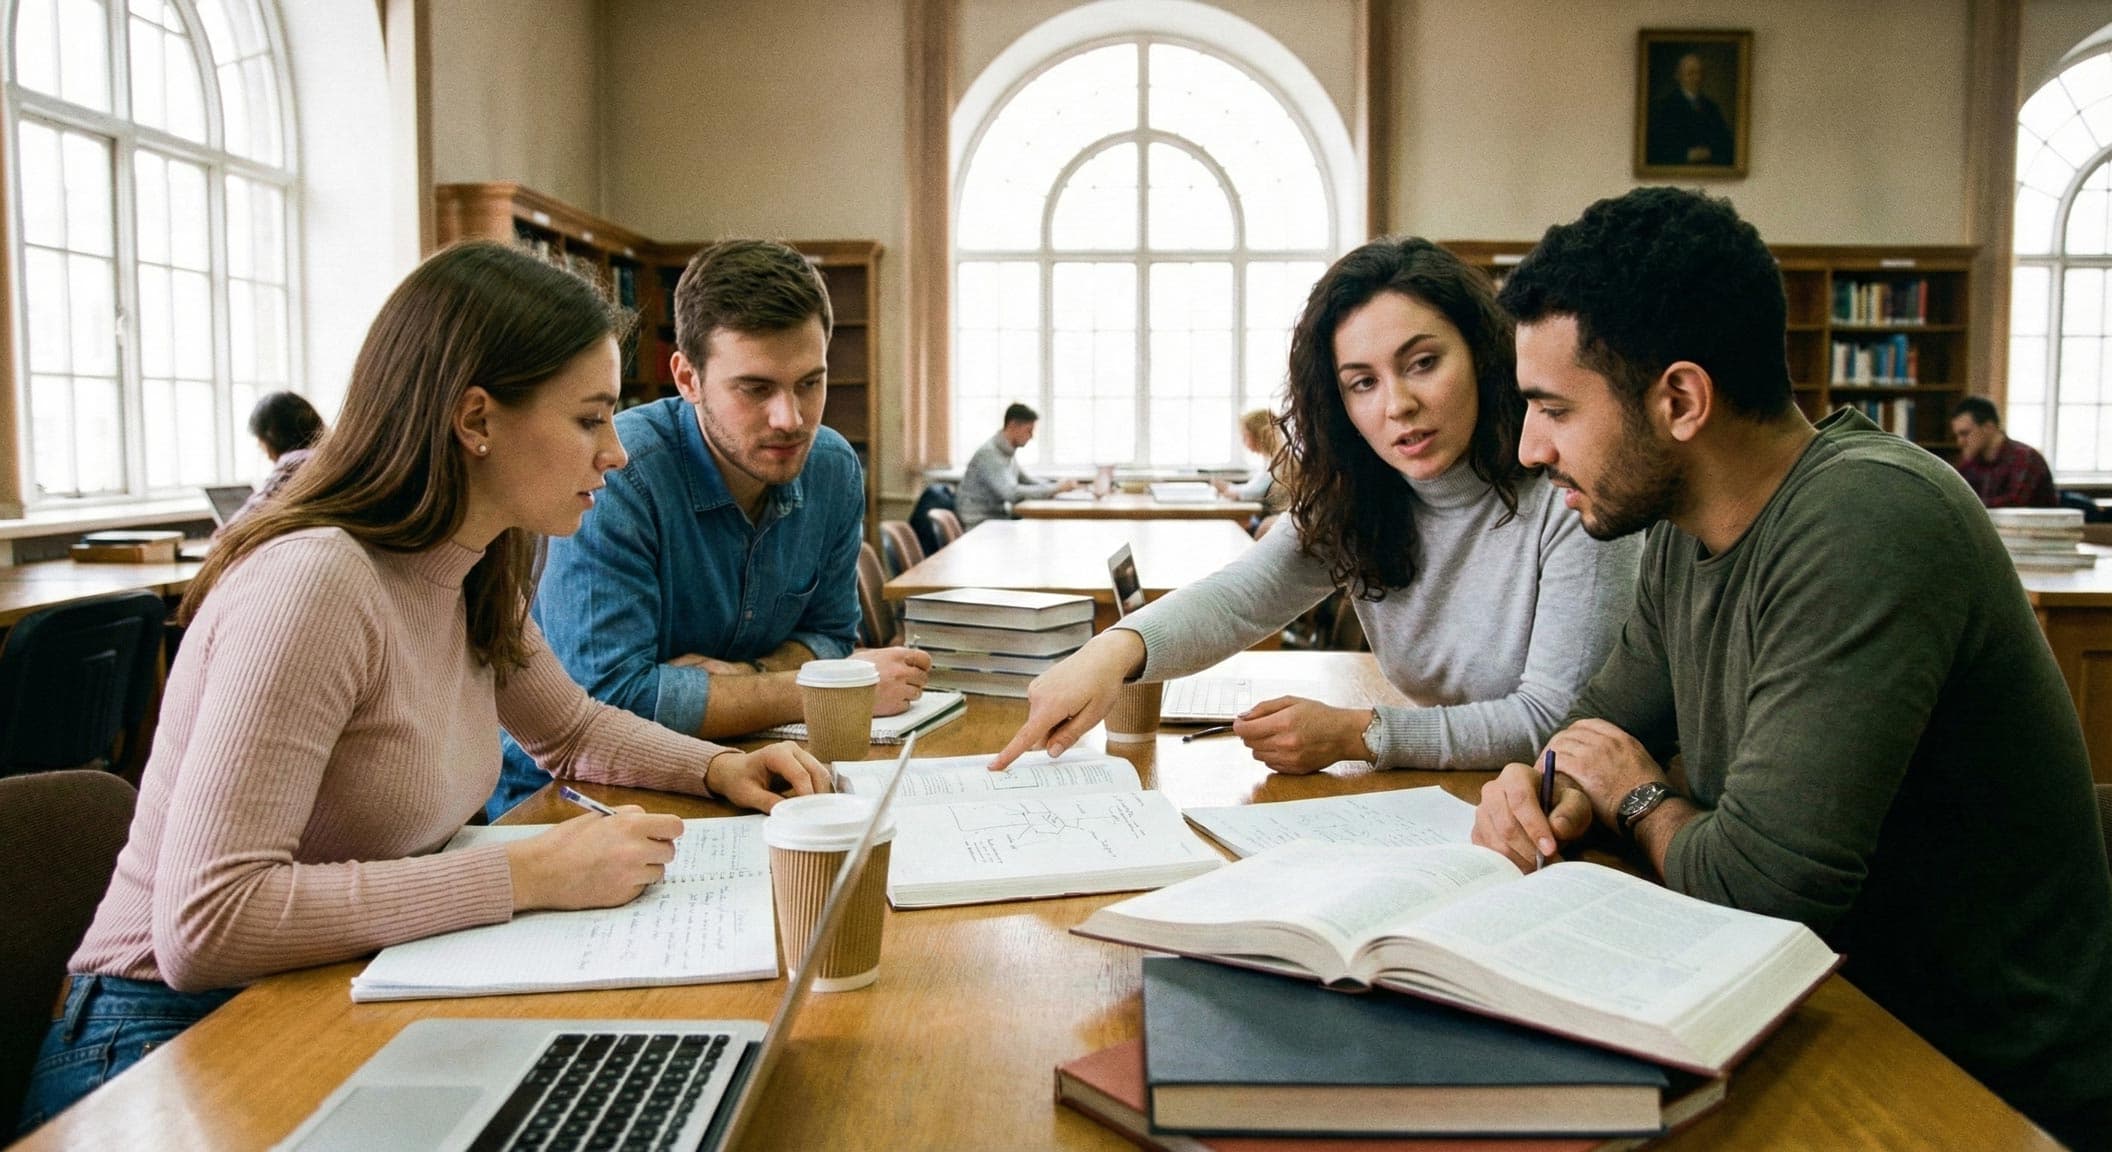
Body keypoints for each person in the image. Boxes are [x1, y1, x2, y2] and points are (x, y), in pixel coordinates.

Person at [14, 242, 830, 1136]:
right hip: (163, 1044)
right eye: (590, 420)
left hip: (335, 985)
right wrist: (517, 872)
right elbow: (208, 922)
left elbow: (572, 728)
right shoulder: (317, 582)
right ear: (476, 418)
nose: (617, 456)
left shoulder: (471, 559)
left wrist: (718, 769)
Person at [1472, 187, 2112, 1148]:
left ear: (1680, 400)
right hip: (1822, 1009)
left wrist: (1638, 800)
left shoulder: (1870, 521)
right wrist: (1543, 790)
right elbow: (1594, 735)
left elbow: (1763, 891)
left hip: (1972, 1079)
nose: (1530, 448)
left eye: (1554, 408)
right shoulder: (1683, 530)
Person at [990, 237, 1640, 777]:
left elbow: (1553, 722)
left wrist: (1361, 734)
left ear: (1482, 354)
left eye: (1422, 363)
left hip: (1573, 817)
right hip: (1456, 799)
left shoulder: (1569, 493)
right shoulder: (1362, 497)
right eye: (1363, 382)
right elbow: (1236, 601)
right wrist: (1110, 654)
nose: (1396, 405)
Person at [486, 240, 927, 819]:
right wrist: (818, 685)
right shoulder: (619, 476)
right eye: (756, 389)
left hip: (745, 766)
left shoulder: (834, 468)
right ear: (687, 378)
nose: (790, 419)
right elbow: (610, 701)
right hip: (572, 796)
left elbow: (830, 635)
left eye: (809, 383)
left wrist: (737, 681)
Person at [955, 403, 1078, 529]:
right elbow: (1011, 493)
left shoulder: (1006, 452)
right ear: (1013, 426)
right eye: (1029, 430)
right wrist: (1056, 488)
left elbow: (1028, 481)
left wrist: (1057, 484)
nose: (1031, 436)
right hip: (980, 524)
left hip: (997, 519)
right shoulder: (990, 454)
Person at [219, 390, 325, 530]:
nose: (259, 446)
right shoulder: (330, 457)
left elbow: (237, 528)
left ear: (271, 435)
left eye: (259, 439)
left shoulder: (295, 462)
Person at [1950, 395, 2058, 508]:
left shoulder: (2025, 458)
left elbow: (2015, 504)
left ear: (1988, 427)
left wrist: (1968, 506)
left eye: (1965, 433)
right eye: (1957, 435)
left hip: (2031, 525)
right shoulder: (1971, 463)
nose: (1960, 442)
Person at [1644, 51, 1735, 167]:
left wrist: (1710, 152)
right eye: (1691, 73)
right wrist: (1686, 155)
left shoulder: (1711, 107)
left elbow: (1726, 143)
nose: (1696, 78)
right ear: (1678, 76)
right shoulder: (1665, 106)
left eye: (1699, 73)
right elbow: (1656, 149)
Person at [1211, 408, 1293, 533]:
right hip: (1270, 518)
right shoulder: (1270, 459)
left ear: (1260, 434)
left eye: (1245, 436)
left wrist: (1229, 490)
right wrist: (1229, 488)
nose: (1244, 442)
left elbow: (1255, 492)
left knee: (1235, 523)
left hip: (1274, 521)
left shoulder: (1280, 460)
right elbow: (1253, 487)